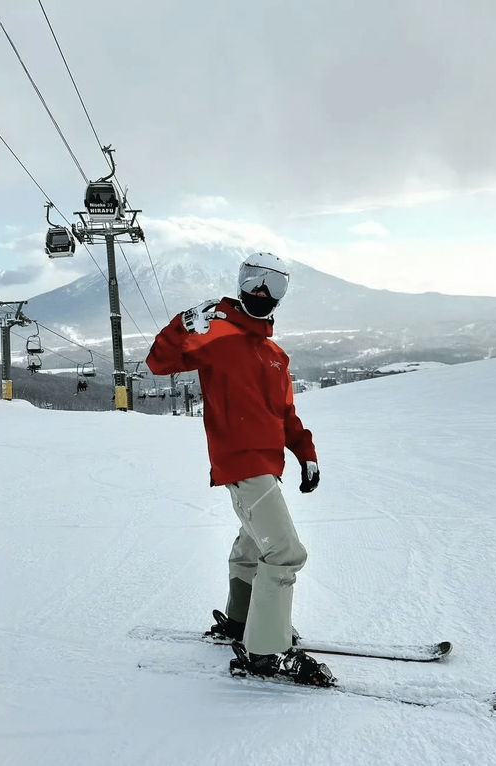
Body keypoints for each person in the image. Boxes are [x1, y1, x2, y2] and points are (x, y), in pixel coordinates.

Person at [146, 252, 333, 686]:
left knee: (253, 545)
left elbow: (285, 413)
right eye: (254, 281)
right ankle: (266, 651)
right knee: (284, 552)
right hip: (240, 462)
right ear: (240, 283)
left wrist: (306, 453)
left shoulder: (274, 355)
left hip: (268, 465)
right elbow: (159, 363)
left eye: (275, 285)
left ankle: (242, 621)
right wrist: (181, 325)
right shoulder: (216, 332)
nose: (263, 293)